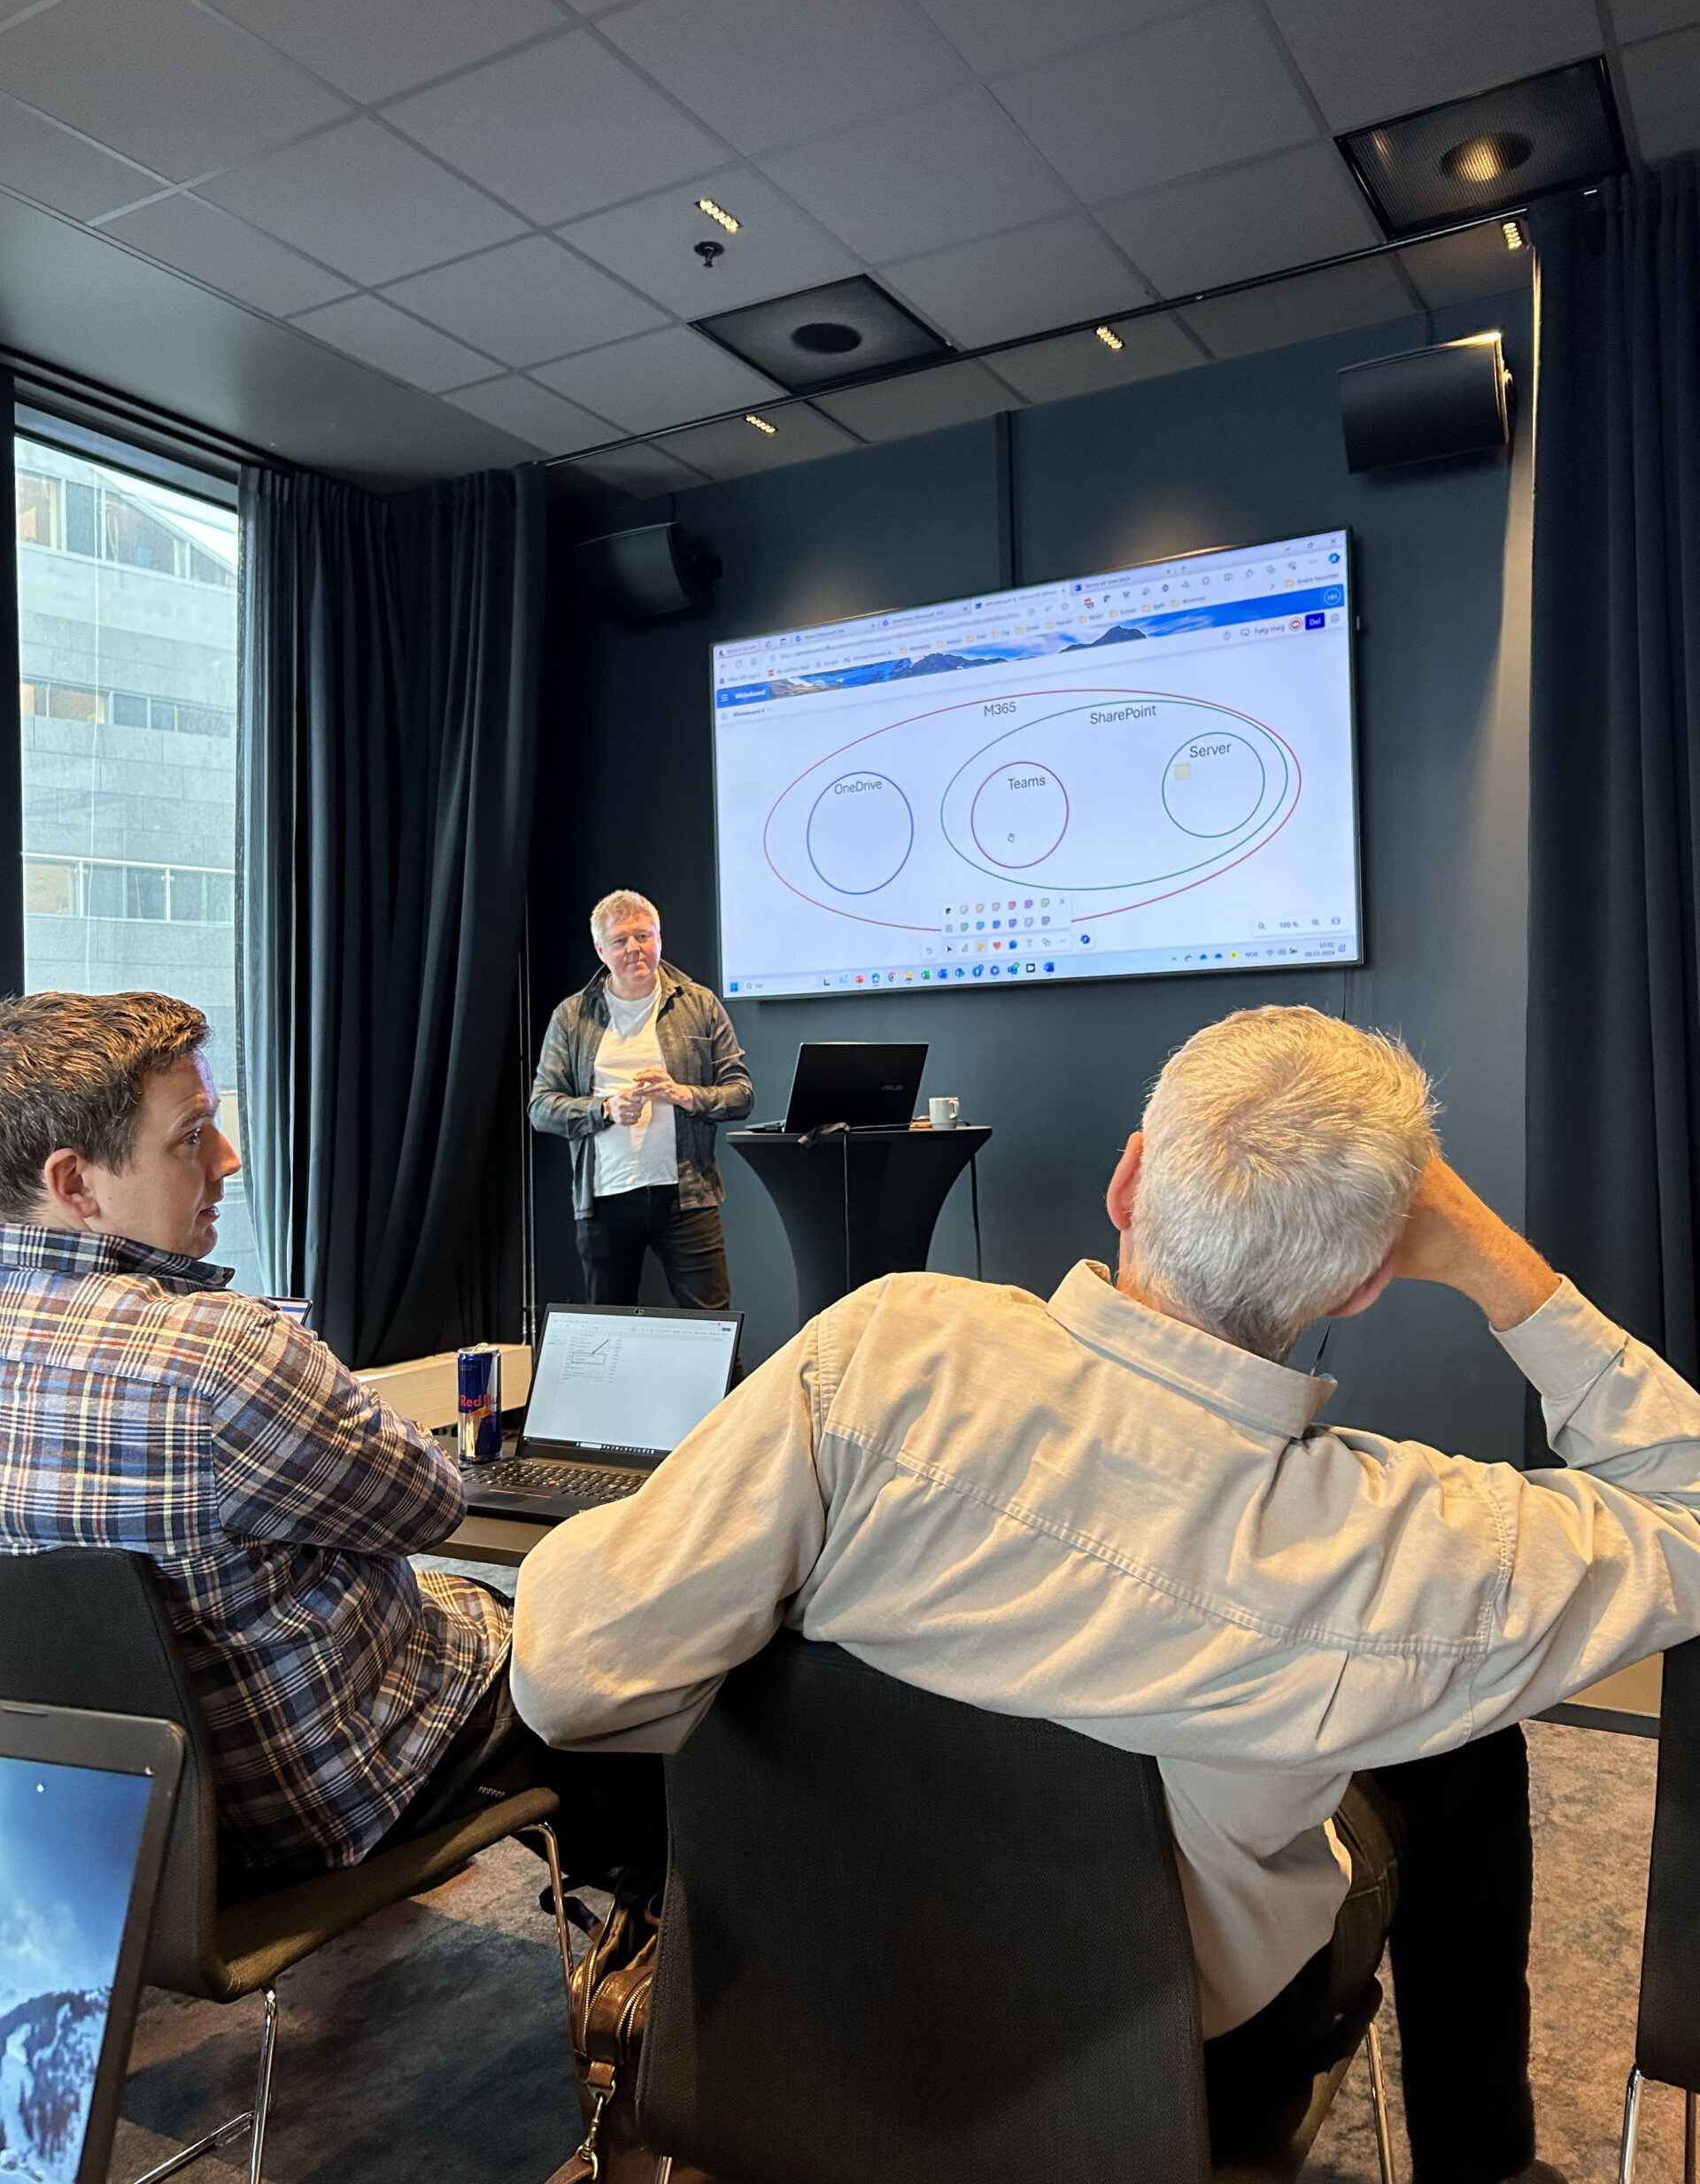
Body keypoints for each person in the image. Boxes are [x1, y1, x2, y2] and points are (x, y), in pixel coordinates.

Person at [511, 1003, 1700, 2184]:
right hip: (1172, 2069)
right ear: (1360, 1289)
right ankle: (1482, 2161)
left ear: (1129, 1183)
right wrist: (1490, 1258)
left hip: (823, 1996)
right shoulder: (1406, 1548)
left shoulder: (877, 1352)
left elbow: (565, 1678)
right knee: (1467, 1741)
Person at [0, 990, 662, 1889]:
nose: (228, 1159)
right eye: (192, 1135)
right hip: (317, 1804)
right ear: (76, 1185)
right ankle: (661, 1928)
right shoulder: (217, 1352)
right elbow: (431, 1505)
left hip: (106, 1832)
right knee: (612, 1646)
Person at [529, 890, 753, 1309]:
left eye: (643, 936)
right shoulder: (572, 1016)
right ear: (600, 950)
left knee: (713, 1327)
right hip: (605, 1197)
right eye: (620, 941)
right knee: (610, 1331)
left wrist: (683, 1095)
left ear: (659, 938)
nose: (634, 949)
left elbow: (741, 1094)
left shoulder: (699, 1004)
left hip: (687, 1195)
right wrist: (604, 1109)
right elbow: (540, 1108)